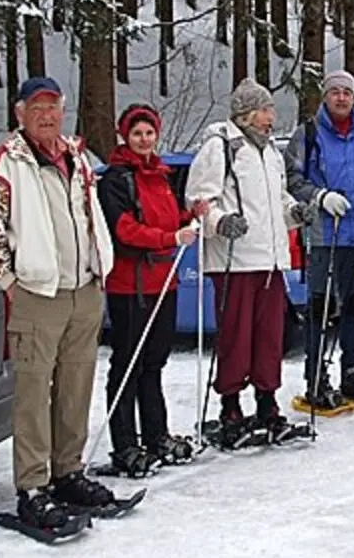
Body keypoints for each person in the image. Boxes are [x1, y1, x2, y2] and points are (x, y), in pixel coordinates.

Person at [0, 76, 118, 531]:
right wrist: (10, 283)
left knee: (75, 389)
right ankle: (32, 487)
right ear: (19, 113)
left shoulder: (76, 156)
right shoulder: (5, 164)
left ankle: (67, 472)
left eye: (53, 106)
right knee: (34, 395)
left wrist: (99, 268)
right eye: (37, 107)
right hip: (38, 294)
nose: (47, 115)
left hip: (84, 289)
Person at [185, 78, 315, 443]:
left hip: (272, 260)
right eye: (266, 110)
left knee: (270, 336)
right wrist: (219, 222)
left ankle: (267, 401)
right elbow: (198, 199)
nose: (272, 117)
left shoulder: (271, 151)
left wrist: (296, 212)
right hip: (235, 259)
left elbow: (278, 200)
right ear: (247, 113)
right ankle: (230, 405)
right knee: (236, 336)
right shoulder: (220, 146)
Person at [96, 103, 206, 475]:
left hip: (164, 282)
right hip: (132, 285)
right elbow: (124, 229)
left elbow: (170, 216)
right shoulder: (116, 179)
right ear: (125, 136)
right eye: (137, 133)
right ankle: (124, 443)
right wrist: (171, 236)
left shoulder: (161, 176)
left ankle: (155, 433)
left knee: (155, 363)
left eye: (149, 133)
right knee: (127, 364)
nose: (143, 139)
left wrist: (191, 216)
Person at [283, 69, 354, 412]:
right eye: (335, 92)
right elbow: (292, 178)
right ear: (325, 97)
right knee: (320, 309)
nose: (341, 98)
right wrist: (320, 196)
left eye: (347, 92)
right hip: (323, 235)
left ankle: (352, 371)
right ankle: (316, 377)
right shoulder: (309, 133)